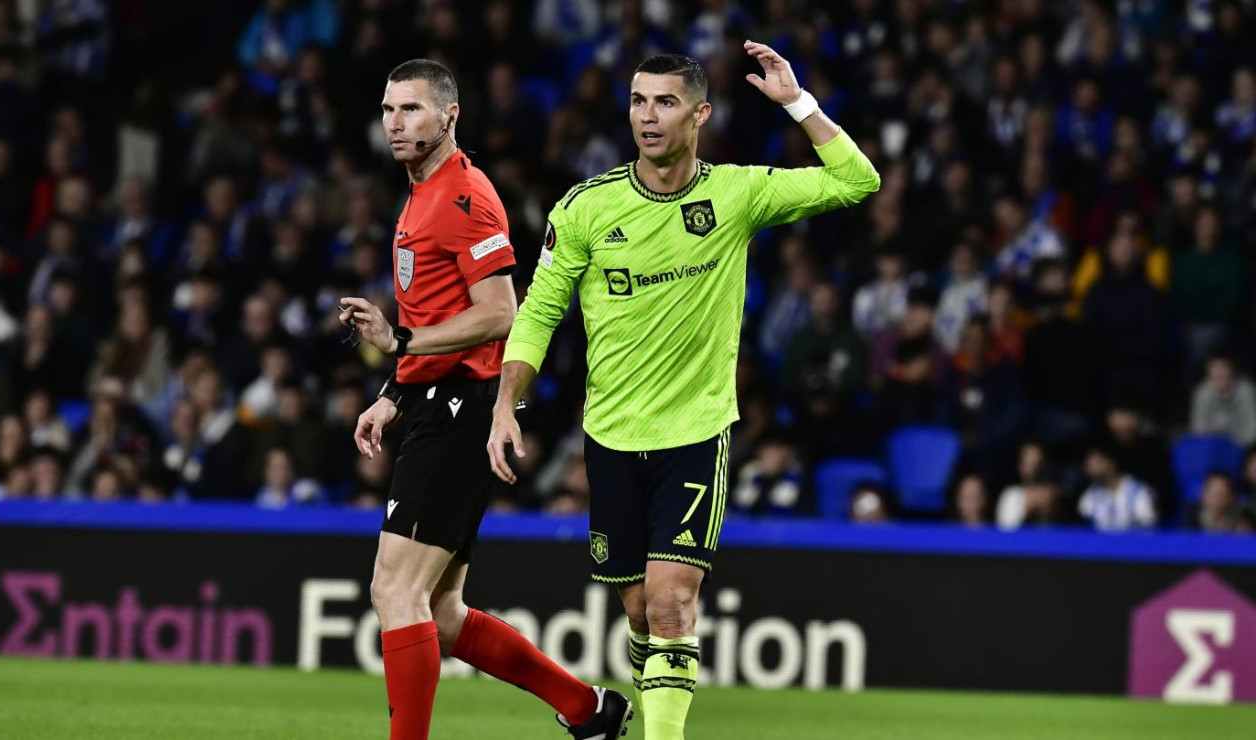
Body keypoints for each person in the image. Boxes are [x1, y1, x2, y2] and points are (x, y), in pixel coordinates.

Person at [489, 45, 879, 740]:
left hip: (696, 435)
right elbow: (541, 310)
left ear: (701, 113)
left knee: (671, 605)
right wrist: (505, 403)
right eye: (638, 100)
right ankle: (637, 704)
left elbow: (858, 181)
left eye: (665, 102)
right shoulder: (586, 207)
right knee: (638, 611)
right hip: (610, 438)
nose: (647, 115)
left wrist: (797, 103)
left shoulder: (735, 193)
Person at [336, 60, 629, 740]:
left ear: (449, 116)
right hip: (434, 400)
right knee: (439, 614)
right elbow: (434, 317)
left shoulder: (465, 196)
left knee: (394, 590)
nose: (395, 123)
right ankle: (589, 710)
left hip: (463, 406)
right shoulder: (421, 195)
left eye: (411, 110)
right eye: (387, 110)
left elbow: (500, 311)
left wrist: (401, 341)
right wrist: (392, 393)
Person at [1078, 442, 1158, 532]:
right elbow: (1086, 529)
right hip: (1100, 544)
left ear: (1111, 463)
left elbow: (1148, 528)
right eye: (1088, 463)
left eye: (1096, 462)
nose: (1090, 467)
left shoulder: (1138, 491)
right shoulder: (1090, 495)